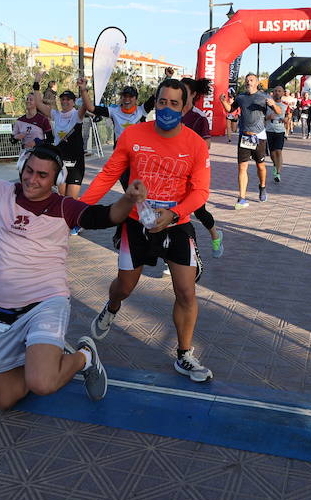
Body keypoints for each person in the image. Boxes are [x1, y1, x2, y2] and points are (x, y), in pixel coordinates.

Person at [0, 96, 141, 409]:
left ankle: (83, 356)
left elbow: (106, 216)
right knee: (5, 400)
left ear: (56, 181)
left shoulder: (64, 207)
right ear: (21, 168)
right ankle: (42, 354)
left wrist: (130, 199)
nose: (32, 179)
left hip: (46, 302)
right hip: (3, 308)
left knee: (42, 383)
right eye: (29, 170)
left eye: (42, 175)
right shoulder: (3, 192)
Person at [81, 77, 214, 382]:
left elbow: (201, 192)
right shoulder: (132, 135)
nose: (167, 108)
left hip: (177, 224)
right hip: (136, 224)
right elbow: (107, 176)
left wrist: (174, 212)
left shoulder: (194, 144)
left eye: (174, 103)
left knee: (186, 291)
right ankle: (111, 307)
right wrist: (76, 211)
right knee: (125, 287)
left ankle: (184, 355)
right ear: (155, 102)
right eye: (162, 102)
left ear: (185, 106)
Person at [180, 77, 223, 257]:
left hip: (193, 171)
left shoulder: (199, 117)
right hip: (172, 170)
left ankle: (215, 235)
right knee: (173, 210)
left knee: (198, 210)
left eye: (185, 91)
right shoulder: (170, 112)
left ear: (194, 94)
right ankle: (173, 257)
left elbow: (206, 145)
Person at [227, 73, 274, 208]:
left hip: (258, 136)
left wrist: (272, 105)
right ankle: (241, 198)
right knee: (242, 167)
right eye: (247, 80)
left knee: (261, 166)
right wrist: (223, 101)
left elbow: (277, 111)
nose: (248, 82)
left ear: (257, 82)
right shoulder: (241, 97)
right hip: (244, 136)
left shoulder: (264, 96)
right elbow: (231, 109)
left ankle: (263, 187)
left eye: (251, 80)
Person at [91, 83, 147, 186]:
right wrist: (83, 89)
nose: (127, 99)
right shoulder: (114, 111)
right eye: (124, 96)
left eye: (130, 97)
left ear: (136, 99)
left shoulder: (141, 110)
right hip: (121, 154)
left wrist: (167, 78)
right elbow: (91, 108)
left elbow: (156, 98)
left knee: (139, 185)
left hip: (138, 154)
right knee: (126, 183)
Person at [46, 79, 92, 198]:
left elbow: (87, 105)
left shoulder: (77, 114)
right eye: (63, 99)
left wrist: (83, 88)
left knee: (71, 200)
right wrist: (36, 83)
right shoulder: (56, 114)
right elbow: (39, 104)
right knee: (62, 197)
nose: (65, 101)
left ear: (73, 101)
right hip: (61, 161)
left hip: (76, 163)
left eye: (68, 99)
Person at [12, 92, 51, 171]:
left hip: (38, 154)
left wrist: (37, 142)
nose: (28, 101)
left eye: (31, 99)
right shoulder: (20, 120)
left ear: (37, 103)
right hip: (24, 154)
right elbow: (12, 140)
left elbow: (51, 139)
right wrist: (16, 137)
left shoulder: (43, 119)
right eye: (27, 99)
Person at [266, 85, 292, 183]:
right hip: (269, 130)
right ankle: (275, 164)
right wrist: (268, 117)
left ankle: (278, 173)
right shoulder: (267, 104)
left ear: (283, 93)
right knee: (272, 153)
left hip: (280, 131)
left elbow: (289, 115)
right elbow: (262, 117)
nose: (277, 92)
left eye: (279, 91)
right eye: (276, 91)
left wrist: (286, 119)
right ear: (273, 92)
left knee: (279, 151)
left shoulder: (285, 104)